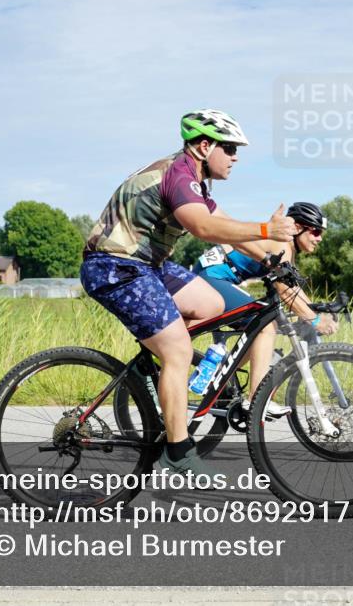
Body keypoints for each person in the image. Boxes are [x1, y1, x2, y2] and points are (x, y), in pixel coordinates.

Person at [80, 109, 296, 479]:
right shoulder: (179, 174)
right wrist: (265, 227)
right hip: (114, 266)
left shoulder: (195, 183)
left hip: (149, 265)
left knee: (211, 303)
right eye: (229, 148)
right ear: (202, 145)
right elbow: (204, 227)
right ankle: (178, 450)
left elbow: (226, 227)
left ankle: (164, 368)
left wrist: (272, 259)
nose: (235, 157)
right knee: (179, 347)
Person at [192, 201, 339, 415]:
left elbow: (291, 288)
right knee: (265, 326)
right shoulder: (282, 244)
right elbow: (285, 290)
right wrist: (315, 321)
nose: (319, 238)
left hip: (219, 277)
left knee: (262, 327)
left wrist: (313, 311)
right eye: (315, 231)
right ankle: (256, 401)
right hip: (211, 277)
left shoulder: (287, 247)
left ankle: (222, 372)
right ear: (298, 228)